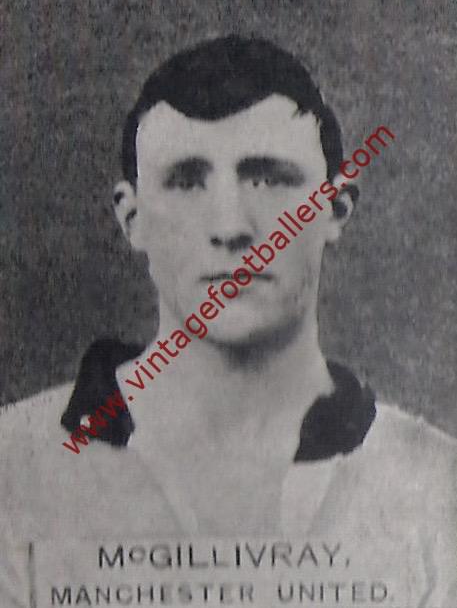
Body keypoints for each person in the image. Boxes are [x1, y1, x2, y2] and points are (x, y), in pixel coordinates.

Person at [0, 36, 455, 607]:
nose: (231, 227)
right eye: (187, 180)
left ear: (334, 209)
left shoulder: (437, 485)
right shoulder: (13, 468)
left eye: (268, 178)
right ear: (133, 218)